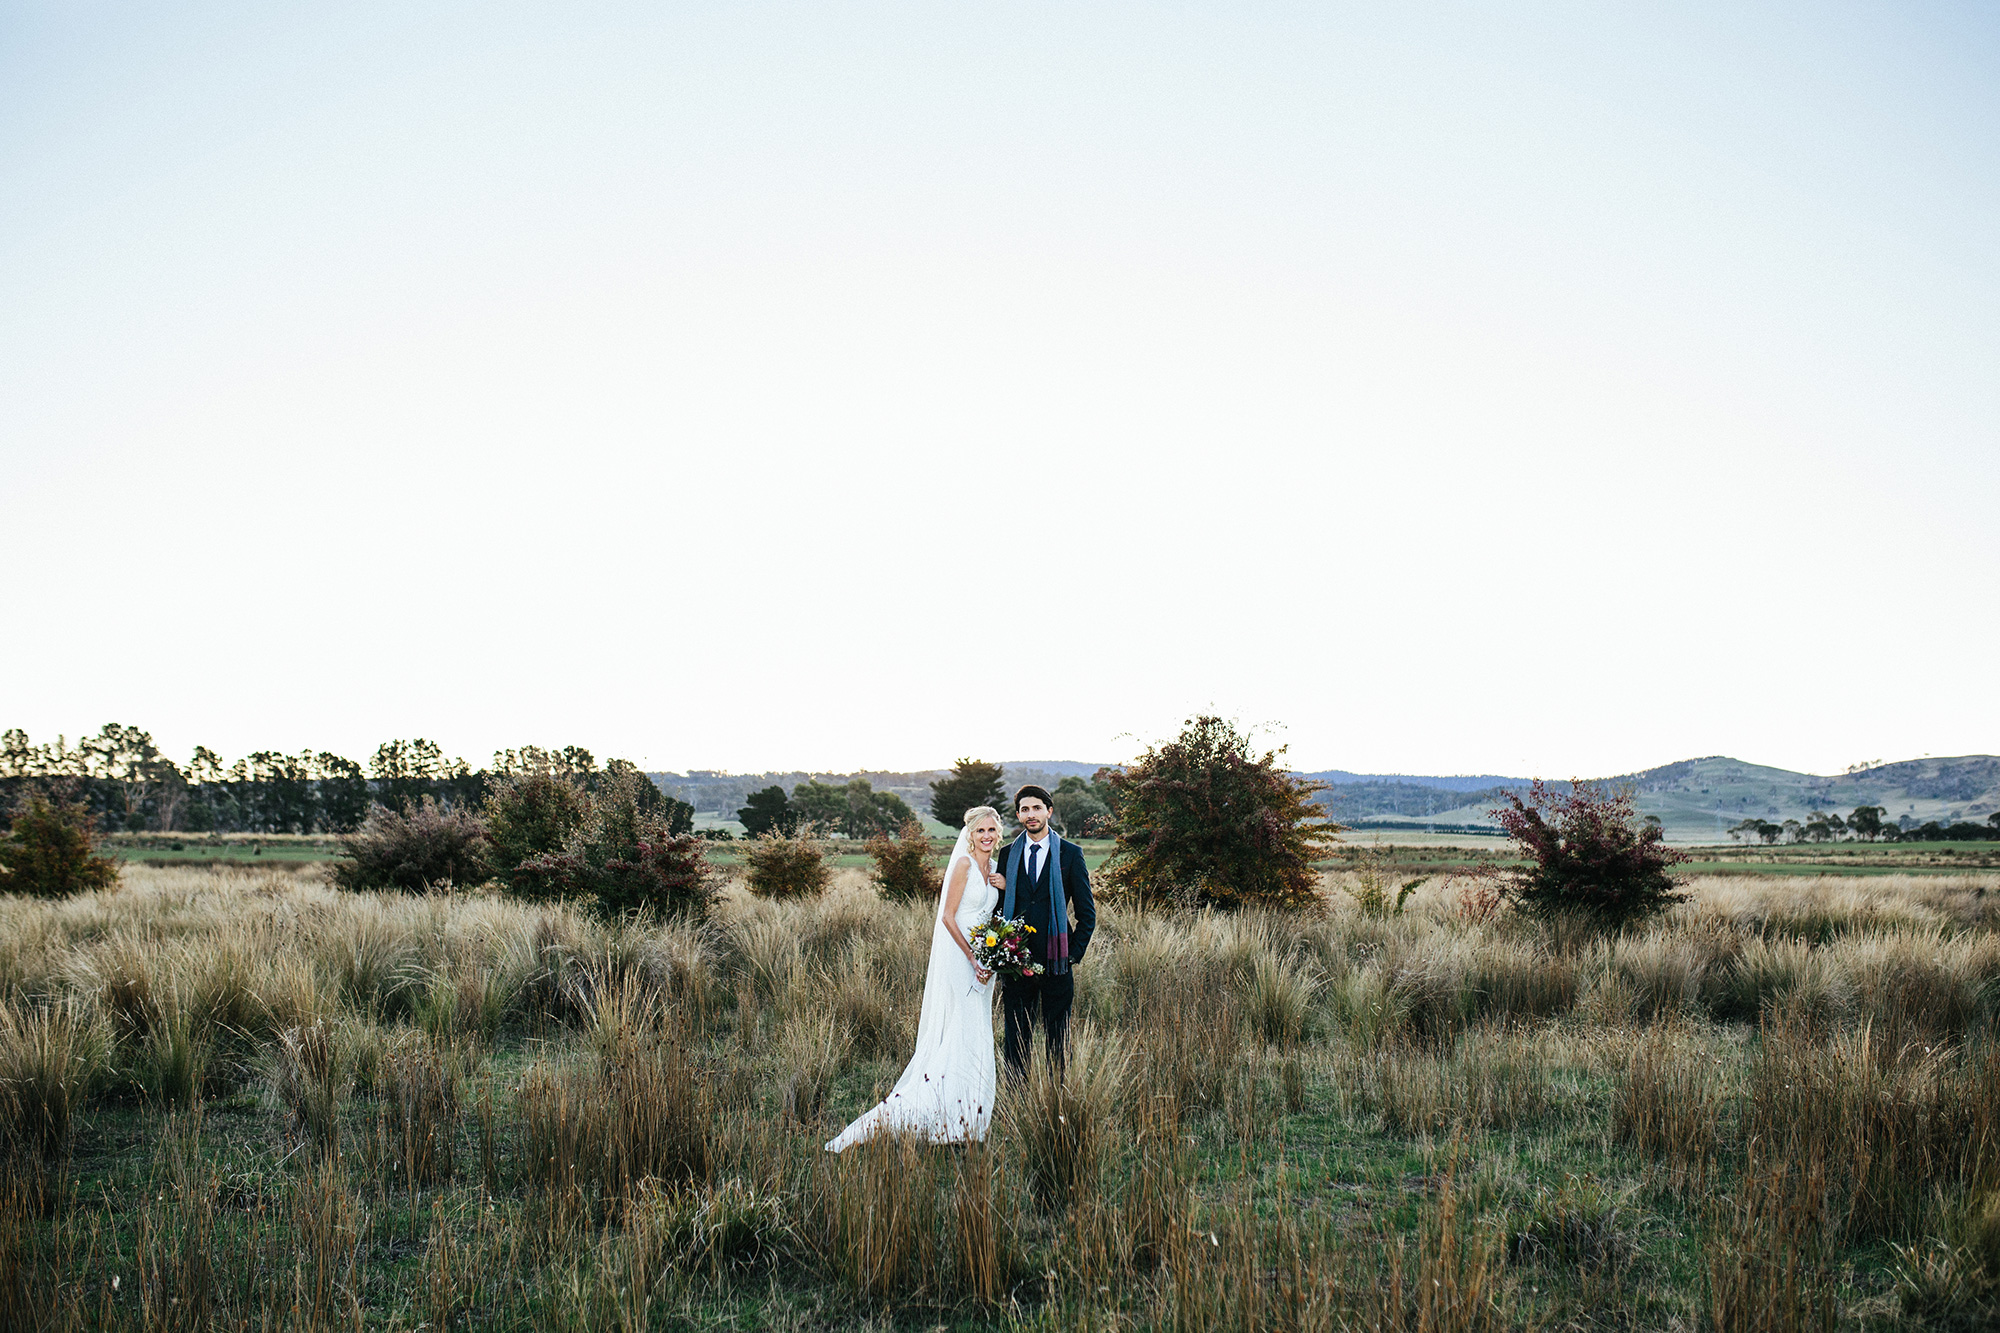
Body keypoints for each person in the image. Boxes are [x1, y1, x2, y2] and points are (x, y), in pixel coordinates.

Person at [824, 806, 1002, 1151]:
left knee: (977, 1029)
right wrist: (971, 956)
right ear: (969, 834)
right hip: (960, 955)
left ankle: (968, 1116)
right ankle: (937, 1112)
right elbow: (948, 917)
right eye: (980, 831)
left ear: (999, 833)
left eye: (992, 830)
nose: (987, 836)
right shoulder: (964, 865)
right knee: (959, 1028)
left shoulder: (994, 870)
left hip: (985, 955)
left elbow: (991, 910)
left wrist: (1002, 892)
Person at [993, 784, 1096, 1075]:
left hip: (1057, 959)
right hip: (1015, 961)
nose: (1031, 814)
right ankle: (1018, 1099)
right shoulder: (1007, 854)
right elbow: (1000, 908)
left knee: (1058, 1037)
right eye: (1024, 809)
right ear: (1018, 815)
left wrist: (1073, 954)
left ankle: (1058, 1098)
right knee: (1016, 1037)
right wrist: (1000, 952)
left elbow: (1087, 913)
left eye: (1037, 808)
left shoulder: (1070, 854)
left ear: (1049, 811)